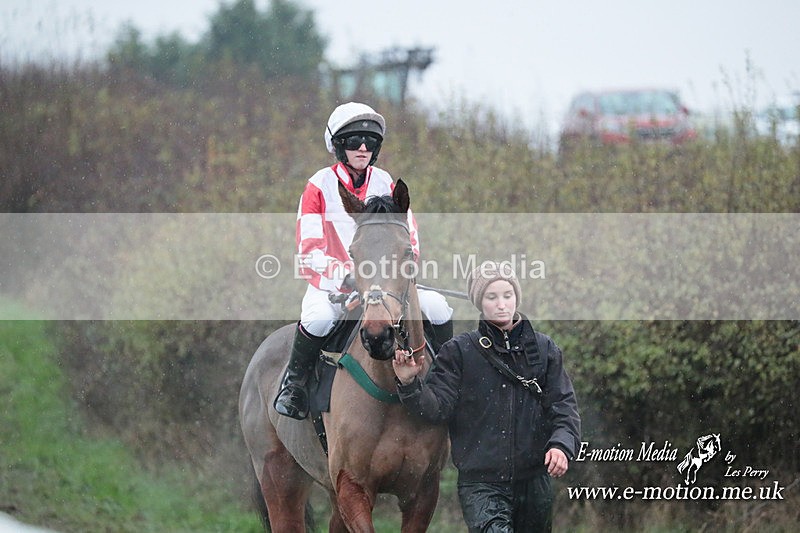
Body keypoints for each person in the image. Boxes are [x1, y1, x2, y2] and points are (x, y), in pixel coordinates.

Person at [274, 101, 454, 420]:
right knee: (316, 320)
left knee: (438, 306)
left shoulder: (387, 183)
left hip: (389, 285)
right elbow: (309, 247)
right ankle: (295, 385)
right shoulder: (318, 185)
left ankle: (450, 376)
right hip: (335, 285)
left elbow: (409, 239)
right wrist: (345, 276)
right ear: (338, 146)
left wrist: (398, 275)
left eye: (370, 141)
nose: (362, 147)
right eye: (354, 141)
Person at [392, 261, 581, 533]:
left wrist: (561, 446)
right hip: (481, 485)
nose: (501, 304)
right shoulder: (458, 352)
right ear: (480, 302)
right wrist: (409, 383)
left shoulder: (544, 349)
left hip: (534, 481)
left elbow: (564, 408)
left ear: (517, 297)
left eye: (508, 295)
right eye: (492, 297)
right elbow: (435, 410)